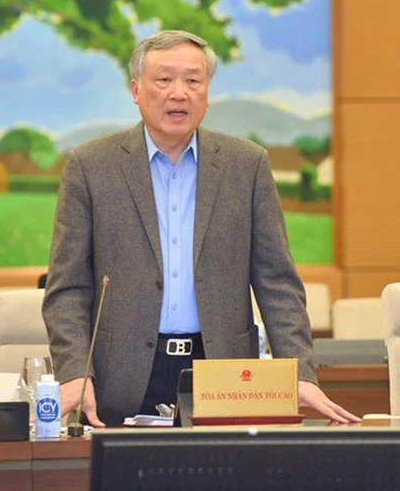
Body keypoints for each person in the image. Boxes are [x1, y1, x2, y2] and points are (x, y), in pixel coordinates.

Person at [42, 30, 359, 426]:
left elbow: (277, 281)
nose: (179, 93)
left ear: (207, 93)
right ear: (136, 90)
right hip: (118, 377)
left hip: (224, 373)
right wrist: (74, 372)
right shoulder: (91, 167)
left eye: (193, 81)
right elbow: (68, 287)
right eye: (164, 80)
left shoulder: (246, 165)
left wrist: (300, 373)